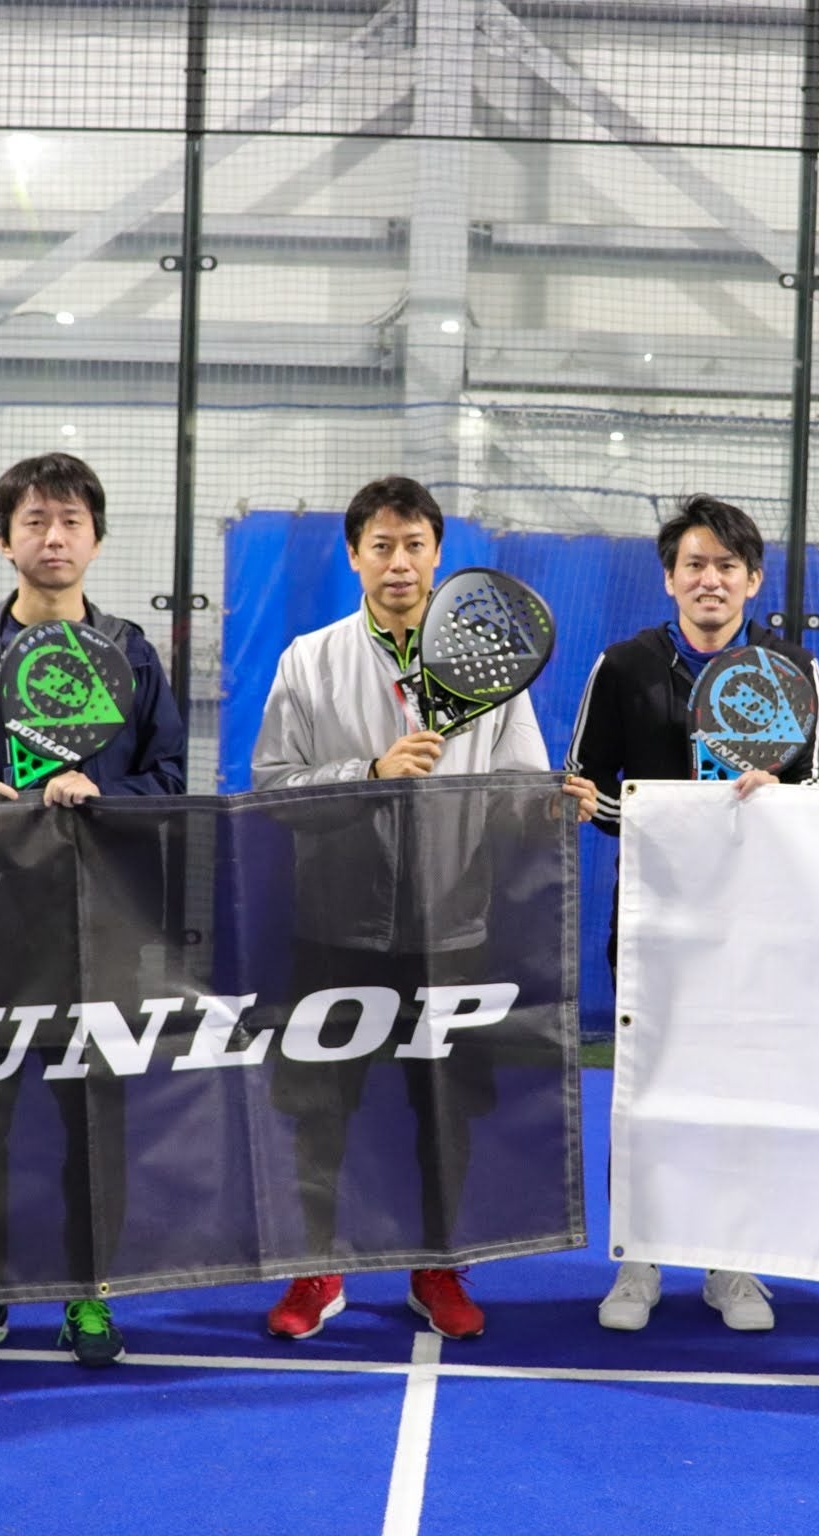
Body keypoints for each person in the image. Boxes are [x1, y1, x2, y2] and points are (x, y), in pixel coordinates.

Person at [252, 475, 596, 1342]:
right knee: (321, 1108)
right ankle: (316, 1269)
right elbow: (273, 788)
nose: (398, 562)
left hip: (452, 930)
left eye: (414, 546)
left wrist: (556, 802)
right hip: (333, 928)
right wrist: (368, 774)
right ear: (354, 557)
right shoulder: (309, 660)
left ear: (439, 555)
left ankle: (437, 1265)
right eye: (381, 546)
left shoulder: (490, 665)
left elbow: (519, 786)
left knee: (443, 1109)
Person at [0, 452, 186, 1369]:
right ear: (4, 540)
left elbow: (170, 780)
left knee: (93, 1122)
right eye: (34, 522)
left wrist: (103, 792)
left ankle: (88, 1292)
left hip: (100, 934)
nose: (53, 538)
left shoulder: (134, 656)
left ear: (96, 539)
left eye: (70, 522)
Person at [566, 493, 819, 1334]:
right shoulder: (622, 667)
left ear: (752, 580)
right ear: (669, 579)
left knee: (742, 1085)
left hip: (759, 923)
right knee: (644, 1088)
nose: (709, 579)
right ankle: (638, 1257)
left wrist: (778, 797)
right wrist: (663, 817)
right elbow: (583, 788)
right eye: (694, 565)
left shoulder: (795, 670)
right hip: (652, 920)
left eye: (726, 566)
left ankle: (731, 1260)